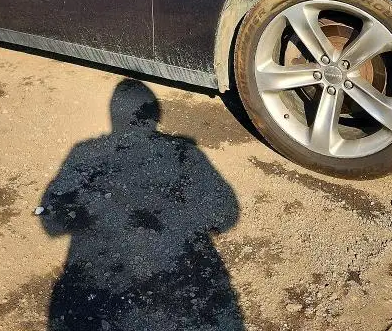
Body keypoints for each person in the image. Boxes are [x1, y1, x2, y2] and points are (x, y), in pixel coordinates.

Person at [40, 79, 244, 330]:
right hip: (179, 296)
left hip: (105, 295)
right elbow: (226, 214)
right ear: (153, 116)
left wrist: (97, 210)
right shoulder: (183, 152)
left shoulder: (85, 153)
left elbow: (51, 220)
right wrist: (177, 217)